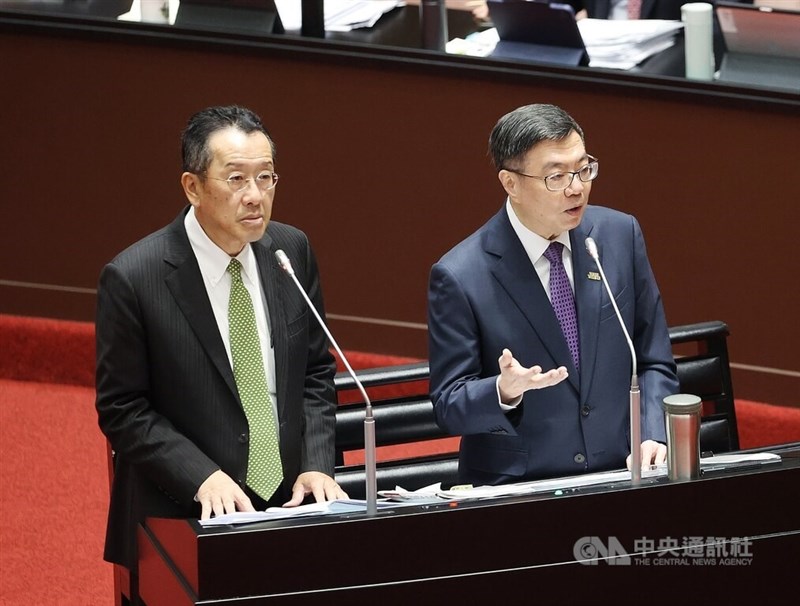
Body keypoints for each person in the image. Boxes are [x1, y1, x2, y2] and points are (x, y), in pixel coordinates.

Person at [95, 105, 346, 579]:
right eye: (236, 180)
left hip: (290, 496)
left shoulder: (289, 251)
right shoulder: (134, 278)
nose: (255, 197)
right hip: (184, 505)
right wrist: (201, 477)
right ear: (192, 187)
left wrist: (317, 463)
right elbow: (123, 409)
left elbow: (315, 370)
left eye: (266, 178)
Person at [427, 103, 679, 487]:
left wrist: (653, 431)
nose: (576, 187)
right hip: (521, 489)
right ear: (510, 183)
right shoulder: (460, 275)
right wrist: (503, 389)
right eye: (556, 176)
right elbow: (449, 405)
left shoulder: (618, 236)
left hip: (624, 472)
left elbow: (653, 359)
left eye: (582, 169)